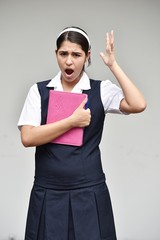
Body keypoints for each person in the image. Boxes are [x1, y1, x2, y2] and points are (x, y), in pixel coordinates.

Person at [18, 26, 146, 240]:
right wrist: (71, 122)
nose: (69, 61)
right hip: (48, 192)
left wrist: (113, 65)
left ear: (87, 57)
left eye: (76, 55)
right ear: (55, 54)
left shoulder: (100, 90)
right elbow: (28, 137)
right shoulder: (39, 91)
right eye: (63, 54)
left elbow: (138, 103)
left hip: (89, 192)